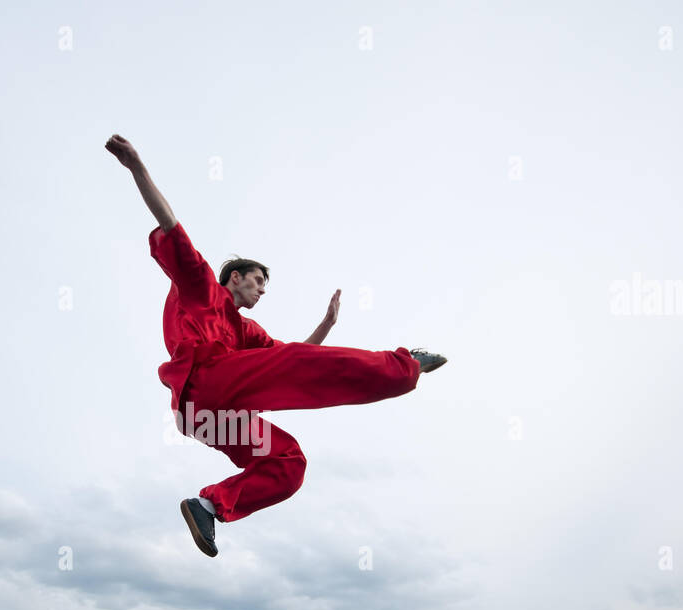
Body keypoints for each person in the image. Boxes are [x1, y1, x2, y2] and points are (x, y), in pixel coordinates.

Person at [104, 134, 447, 557]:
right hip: (202, 383)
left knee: (289, 462)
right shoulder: (201, 286)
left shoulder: (246, 333)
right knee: (294, 365)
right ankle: (404, 365)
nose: (263, 291)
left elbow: (299, 360)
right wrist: (137, 167)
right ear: (236, 278)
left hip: (205, 417)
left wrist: (325, 325)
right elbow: (171, 225)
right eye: (258, 281)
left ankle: (208, 506)